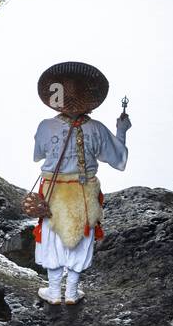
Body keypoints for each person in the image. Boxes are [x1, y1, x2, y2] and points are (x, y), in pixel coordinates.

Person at [30, 62, 131, 305]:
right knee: (81, 237)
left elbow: (38, 155)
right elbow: (118, 159)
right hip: (84, 192)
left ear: (55, 97)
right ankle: (72, 292)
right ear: (90, 99)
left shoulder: (45, 126)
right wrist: (122, 130)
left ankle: (54, 292)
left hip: (53, 192)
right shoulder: (97, 129)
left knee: (52, 235)